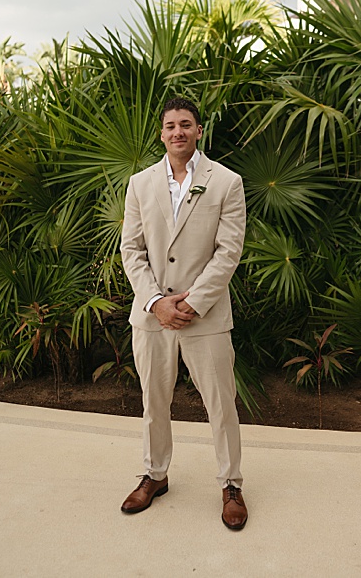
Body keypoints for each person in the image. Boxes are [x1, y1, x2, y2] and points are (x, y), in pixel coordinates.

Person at [118, 97, 250, 531]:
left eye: (186, 124)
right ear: (162, 134)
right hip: (152, 317)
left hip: (204, 316)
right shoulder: (139, 184)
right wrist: (156, 302)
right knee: (153, 401)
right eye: (171, 125)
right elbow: (131, 249)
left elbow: (228, 251)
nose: (178, 132)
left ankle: (231, 484)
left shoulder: (226, 182)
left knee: (221, 404)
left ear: (198, 131)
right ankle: (155, 475)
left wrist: (192, 303)